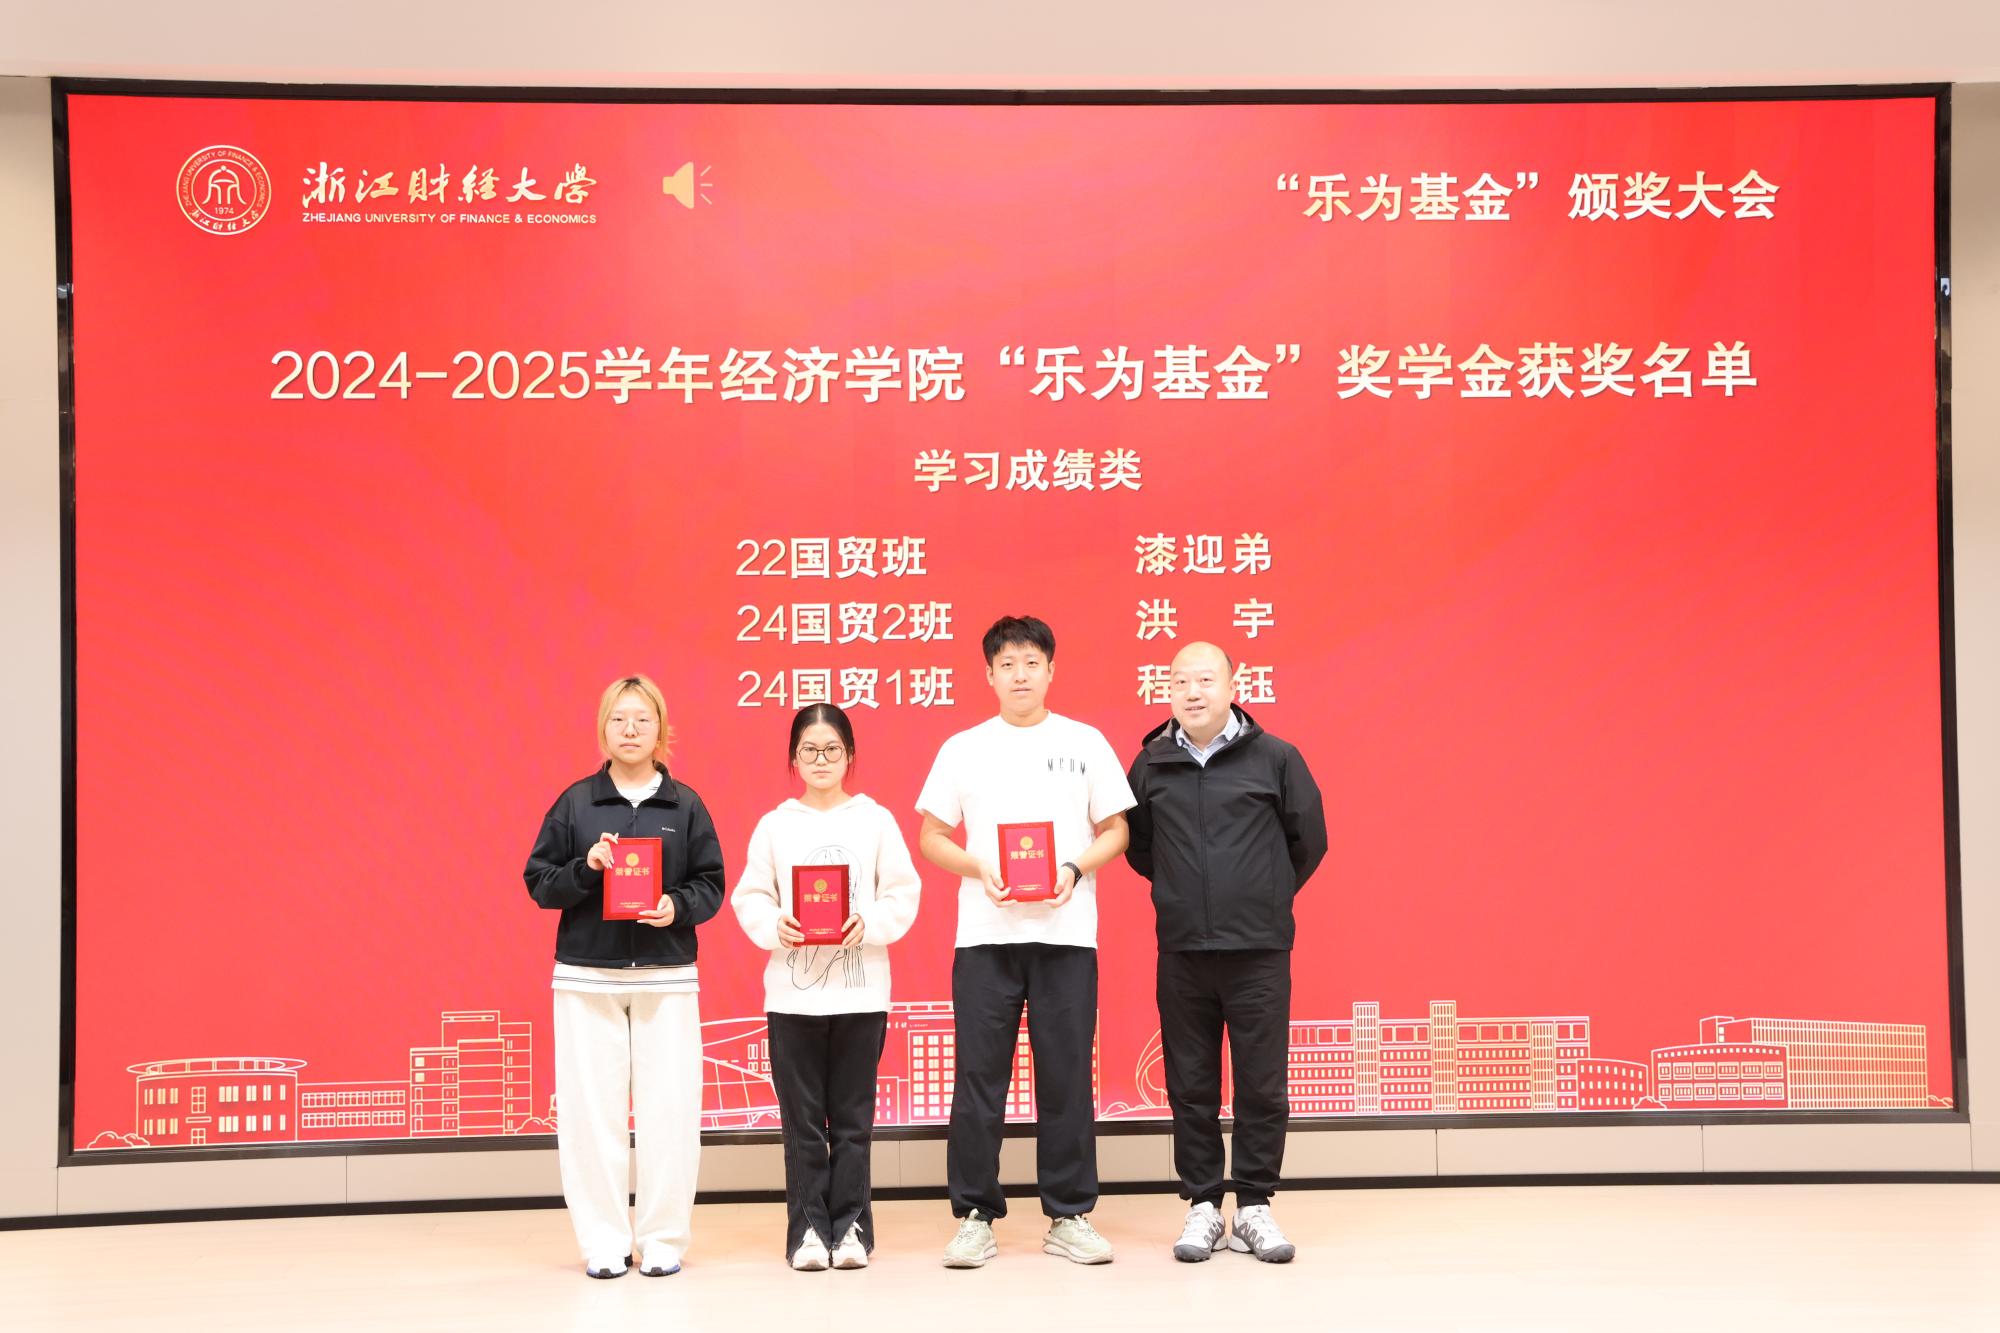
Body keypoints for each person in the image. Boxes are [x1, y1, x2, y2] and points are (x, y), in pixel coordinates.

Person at [915, 615, 1135, 1268]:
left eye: (1031, 662)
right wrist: (979, 868)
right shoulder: (963, 747)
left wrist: (1073, 869)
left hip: (1067, 935)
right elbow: (931, 837)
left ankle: (1069, 1213)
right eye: (1007, 664)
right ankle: (975, 1215)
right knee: (978, 1079)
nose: (1020, 675)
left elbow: (1117, 829)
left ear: (1051, 670)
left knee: (1066, 1077)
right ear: (988, 674)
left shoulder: (1084, 742)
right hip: (985, 938)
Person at [1125, 641, 1327, 1264]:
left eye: (1206, 679)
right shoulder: (1151, 763)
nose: (1193, 692)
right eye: (1180, 681)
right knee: (1191, 1084)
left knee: (1261, 1083)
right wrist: (1183, 893)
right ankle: (1204, 1205)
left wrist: (1262, 895)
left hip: (1259, 950)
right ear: (1167, 690)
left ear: (1233, 685)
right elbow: (1139, 847)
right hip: (1183, 949)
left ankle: (1255, 1205)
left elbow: (1309, 841)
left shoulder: (1276, 758)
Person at [523, 674, 725, 1279]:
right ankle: (604, 1241)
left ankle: (663, 1239)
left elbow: (711, 884)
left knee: (671, 1113)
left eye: (642, 719)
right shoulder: (576, 803)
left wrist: (675, 906)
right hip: (587, 979)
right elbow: (539, 883)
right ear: (603, 729)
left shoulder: (685, 805)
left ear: (661, 728)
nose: (631, 729)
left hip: (667, 978)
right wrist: (586, 867)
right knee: (591, 1117)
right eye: (619, 719)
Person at [731, 704, 922, 1272]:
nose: (821, 760)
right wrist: (776, 925)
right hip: (793, 997)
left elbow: (902, 891)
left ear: (850, 755)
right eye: (809, 750)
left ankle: (853, 1228)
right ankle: (809, 1232)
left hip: (861, 993)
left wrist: (871, 922)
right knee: (804, 1124)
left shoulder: (875, 820)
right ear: (793, 759)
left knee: (854, 1121)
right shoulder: (775, 825)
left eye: (832, 749)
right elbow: (750, 896)